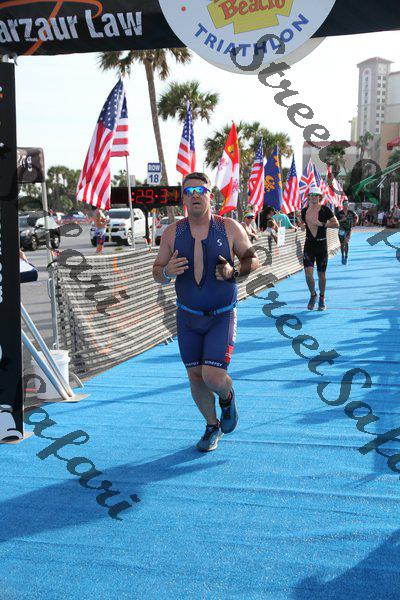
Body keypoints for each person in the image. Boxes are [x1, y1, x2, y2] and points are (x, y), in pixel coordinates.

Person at [153, 172, 260, 452]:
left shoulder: (229, 227)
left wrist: (233, 271)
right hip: (187, 317)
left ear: (210, 195)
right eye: (189, 191)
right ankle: (212, 425)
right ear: (183, 198)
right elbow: (157, 271)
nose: (195, 195)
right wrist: (166, 272)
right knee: (195, 377)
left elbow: (253, 259)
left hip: (221, 315)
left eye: (200, 190)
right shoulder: (172, 232)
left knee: (213, 377)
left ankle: (227, 396)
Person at [301, 186, 339, 311]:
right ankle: (313, 295)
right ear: (309, 197)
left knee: (321, 274)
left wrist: (322, 224)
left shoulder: (325, 210)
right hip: (309, 245)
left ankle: (322, 297)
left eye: (316, 195)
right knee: (308, 274)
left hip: (321, 245)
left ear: (320, 197)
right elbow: (303, 222)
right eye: (311, 195)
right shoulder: (304, 211)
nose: (314, 197)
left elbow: (336, 224)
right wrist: (302, 225)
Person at [337, 200, 359, 265]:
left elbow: (356, 216)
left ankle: (346, 257)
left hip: (348, 229)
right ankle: (342, 256)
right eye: (345, 204)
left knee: (346, 242)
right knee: (342, 244)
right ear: (342, 205)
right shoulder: (339, 213)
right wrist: (342, 220)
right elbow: (335, 222)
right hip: (341, 229)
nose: (346, 205)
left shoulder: (351, 212)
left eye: (347, 204)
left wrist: (356, 221)